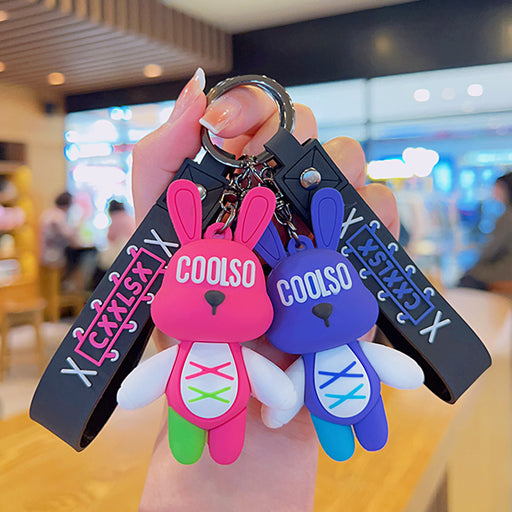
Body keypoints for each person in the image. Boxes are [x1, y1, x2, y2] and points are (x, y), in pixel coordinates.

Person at [131, 68, 400, 511]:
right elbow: (276, 392)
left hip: (273, 415)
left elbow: (283, 393)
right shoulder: (201, 311)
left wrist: (280, 416)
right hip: (206, 406)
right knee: (194, 438)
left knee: (353, 433)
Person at [458, 172, 512, 290]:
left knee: (466, 279)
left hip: (505, 273)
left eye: (497, 189)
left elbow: (490, 251)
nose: (494, 194)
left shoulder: (507, 217)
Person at [93, 199, 135, 287]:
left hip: (116, 256)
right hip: (130, 254)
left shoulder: (114, 219)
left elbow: (110, 237)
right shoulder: (129, 217)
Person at [39, 191, 79, 268]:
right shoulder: (58, 216)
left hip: (42, 251)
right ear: (68, 204)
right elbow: (69, 235)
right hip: (51, 254)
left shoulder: (48, 213)